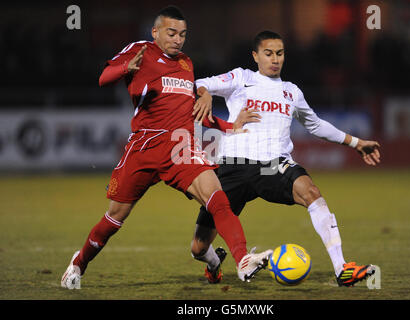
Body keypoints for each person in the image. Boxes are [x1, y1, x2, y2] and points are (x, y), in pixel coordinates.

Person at [61, 6, 272, 290]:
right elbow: (103, 77)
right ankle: (79, 263)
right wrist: (127, 68)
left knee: (217, 197)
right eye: (171, 33)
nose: (178, 39)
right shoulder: (141, 51)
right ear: (155, 32)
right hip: (144, 147)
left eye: (183, 34)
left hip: (180, 148)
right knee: (114, 218)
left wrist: (229, 125)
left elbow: (193, 112)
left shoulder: (186, 64)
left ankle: (243, 259)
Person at [190, 30, 381, 287]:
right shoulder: (241, 78)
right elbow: (199, 82)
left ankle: (341, 268)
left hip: (272, 165)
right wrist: (204, 93)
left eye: (279, 53)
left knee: (311, 192)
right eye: (268, 53)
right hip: (233, 167)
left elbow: (315, 125)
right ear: (256, 56)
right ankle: (214, 264)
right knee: (199, 247)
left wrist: (356, 143)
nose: (275, 59)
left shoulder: (292, 92)